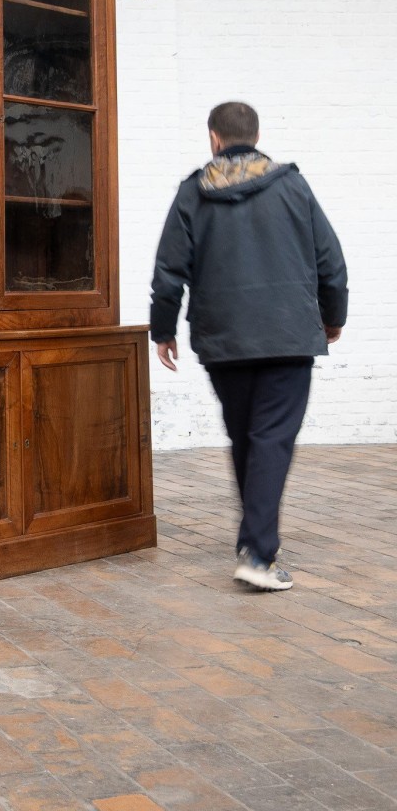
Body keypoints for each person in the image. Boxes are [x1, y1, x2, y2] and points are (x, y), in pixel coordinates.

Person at [150, 102, 348, 592]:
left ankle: (253, 543)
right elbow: (331, 260)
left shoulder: (193, 193)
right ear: (254, 136)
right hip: (287, 335)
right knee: (271, 440)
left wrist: (163, 329)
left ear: (214, 138)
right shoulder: (292, 186)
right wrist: (333, 317)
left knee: (247, 438)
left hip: (224, 339)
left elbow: (169, 270)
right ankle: (258, 555)